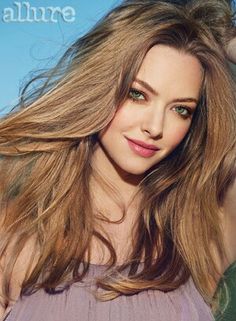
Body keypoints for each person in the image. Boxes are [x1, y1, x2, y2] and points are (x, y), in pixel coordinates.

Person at [0, 0, 235, 320]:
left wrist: (212, 38)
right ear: (98, 89)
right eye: (137, 94)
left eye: (181, 109)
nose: (155, 127)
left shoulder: (199, 231)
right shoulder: (16, 237)